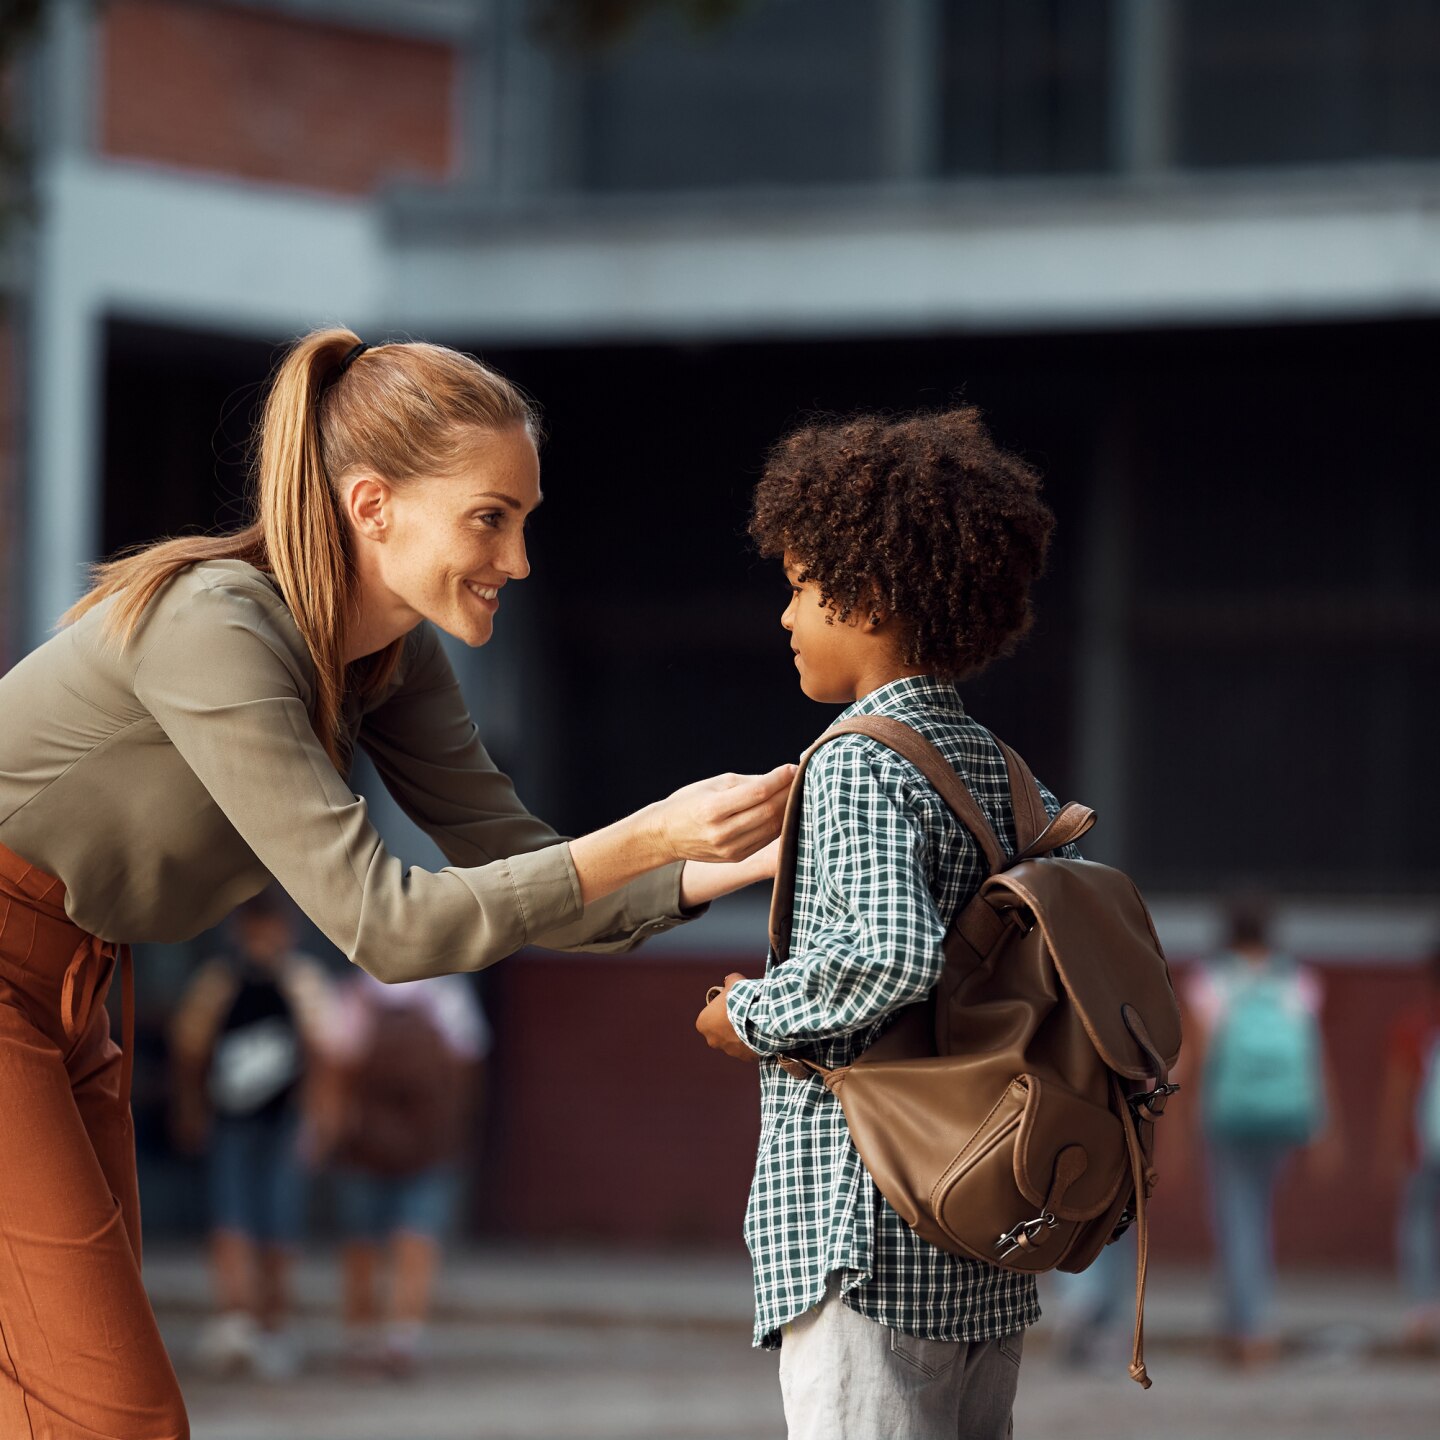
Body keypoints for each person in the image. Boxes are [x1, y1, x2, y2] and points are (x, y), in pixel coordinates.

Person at [0, 328, 792, 1438]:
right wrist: (649, 833)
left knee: (49, 1404)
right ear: (373, 506)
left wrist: (735, 860)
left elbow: (517, 862)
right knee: (107, 1415)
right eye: (489, 517)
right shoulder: (218, 627)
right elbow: (386, 923)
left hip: (76, 993)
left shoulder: (391, 658)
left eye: (524, 520)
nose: (516, 561)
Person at [696, 408, 1063, 1440]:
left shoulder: (858, 758)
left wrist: (748, 1014)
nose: (786, 615)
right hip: (983, 1231)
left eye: (800, 587)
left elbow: (886, 956)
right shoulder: (1002, 770)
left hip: (869, 1229)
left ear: (868, 598)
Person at [168, 887, 331, 1380]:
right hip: (232, 1120)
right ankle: (237, 1318)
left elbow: (327, 1056)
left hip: (282, 1122)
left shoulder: (302, 982)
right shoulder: (220, 982)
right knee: (234, 1220)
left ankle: (271, 1325)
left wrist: (319, 1118)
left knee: (277, 1224)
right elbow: (190, 1049)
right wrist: (193, 1107)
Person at [1183, 897, 1342, 1368]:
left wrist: (1182, 1121)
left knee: (1237, 1222)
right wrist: (1325, 1126)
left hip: (1228, 1115)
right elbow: (1316, 1057)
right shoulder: (1297, 980)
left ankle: (1252, 1330)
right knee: (1256, 1218)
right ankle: (1239, 1326)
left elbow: (1199, 1058)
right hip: (1285, 1114)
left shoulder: (1211, 981)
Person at [322, 969, 489, 1377]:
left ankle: (360, 1335)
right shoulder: (448, 995)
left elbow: (333, 1064)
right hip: (428, 1142)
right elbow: (468, 1064)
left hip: (364, 1142)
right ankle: (403, 1337)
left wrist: (331, 1128)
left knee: (361, 1243)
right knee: (418, 1238)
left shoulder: (354, 994)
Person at [1378, 945, 1440, 1351]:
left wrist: (1387, 1149)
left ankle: (1424, 1308)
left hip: (1426, 1146)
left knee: (1418, 1221)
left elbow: (1399, 1093)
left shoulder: (1416, 1025)